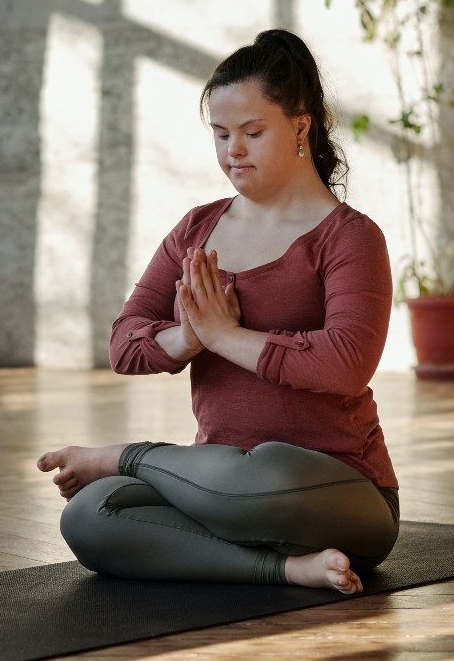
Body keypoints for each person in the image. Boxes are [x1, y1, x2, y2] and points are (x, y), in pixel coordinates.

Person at [36, 29, 399, 595]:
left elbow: (345, 363)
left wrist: (226, 336)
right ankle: (282, 569)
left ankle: (124, 457)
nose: (234, 151)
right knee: (89, 515)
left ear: (301, 126)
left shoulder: (350, 238)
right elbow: (125, 343)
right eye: (221, 134)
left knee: (262, 473)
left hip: (335, 490)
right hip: (216, 480)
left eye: (253, 133)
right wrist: (186, 339)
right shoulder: (197, 229)